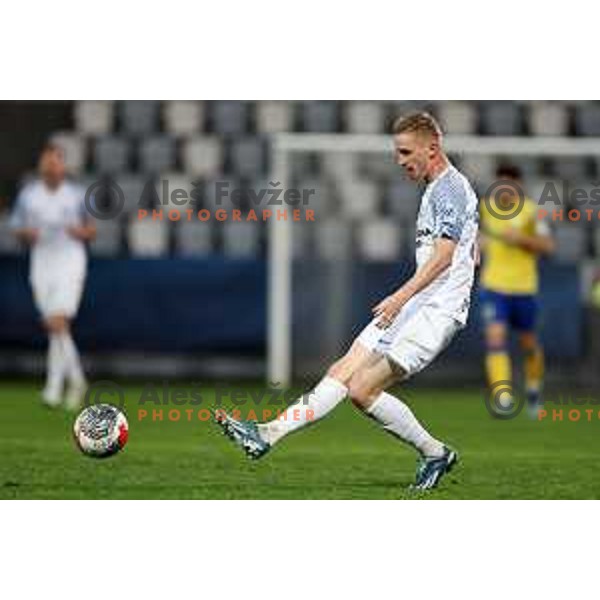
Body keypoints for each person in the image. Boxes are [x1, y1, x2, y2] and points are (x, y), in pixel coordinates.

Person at [216, 112, 479, 490]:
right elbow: (465, 247)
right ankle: (268, 433)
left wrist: (399, 295)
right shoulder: (441, 189)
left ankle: (435, 452)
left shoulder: (449, 189)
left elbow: (444, 257)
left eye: (406, 152)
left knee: (362, 390)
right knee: (343, 369)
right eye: (397, 152)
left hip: (435, 312)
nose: (400, 160)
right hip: (416, 304)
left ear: (432, 148)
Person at [10, 142, 96, 409]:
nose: (50, 167)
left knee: (57, 322)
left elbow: (92, 230)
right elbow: (17, 227)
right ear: (41, 166)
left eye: (55, 162)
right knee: (54, 326)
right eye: (46, 162)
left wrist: (77, 232)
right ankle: (62, 386)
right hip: (42, 261)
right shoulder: (29, 195)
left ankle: (61, 385)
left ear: (63, 166)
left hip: (70, 260)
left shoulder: (77, 195)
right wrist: (28, 234)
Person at [479, 164, 555, 417]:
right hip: (494, 286)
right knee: (495, 338)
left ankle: (533, 390)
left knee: (529, 344)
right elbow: (475, 238)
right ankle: (503, 397)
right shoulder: (485, 210)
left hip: (524, 288)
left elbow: (547, 247)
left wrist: (522, 239)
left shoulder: (533, 213)